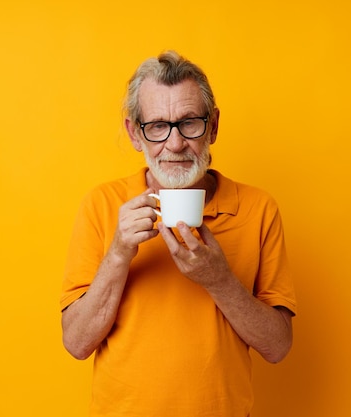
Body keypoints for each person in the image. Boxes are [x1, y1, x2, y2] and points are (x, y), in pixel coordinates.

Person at [60, 50, 297, 417]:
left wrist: (219, 281)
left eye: (189, 123)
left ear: (213, 126)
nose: (174, 144)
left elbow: (278, 346)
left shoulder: (258, 209)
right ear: (134, 134)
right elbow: (76, 343)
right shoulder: (102, 205)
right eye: (157, 126)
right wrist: (119, 253)